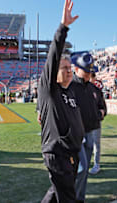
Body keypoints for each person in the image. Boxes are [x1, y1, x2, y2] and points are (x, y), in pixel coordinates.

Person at [38, 1, 82, 202]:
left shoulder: (70, 91)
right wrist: (63, 27)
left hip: (71, 153)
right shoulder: (50, 91)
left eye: (70, 67)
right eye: (64, 68)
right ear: (53, 73)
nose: (69, 70)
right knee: (67, 197)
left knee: (57, 193)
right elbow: (53, 55)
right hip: (57, 154)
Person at [70, 51, 106, 203]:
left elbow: (103, 108)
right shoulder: (69, 86)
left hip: (91, 131)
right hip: (75, 134)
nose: (88, 73)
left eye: (89, 71)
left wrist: (99, 114)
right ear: (76, 69)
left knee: (83, 172)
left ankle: (79, 198)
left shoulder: (94, 89)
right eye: (86, 70)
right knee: (81, 169)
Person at [88, 73, 107, 175]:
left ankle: (96, 164)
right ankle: (84, 164)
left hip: (95, 122)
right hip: (83, 123)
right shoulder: (80, 89)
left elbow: (103, 107)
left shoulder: (97, 91)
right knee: (85, 144)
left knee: (96, 144)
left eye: (91, 77)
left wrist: (101, 113)